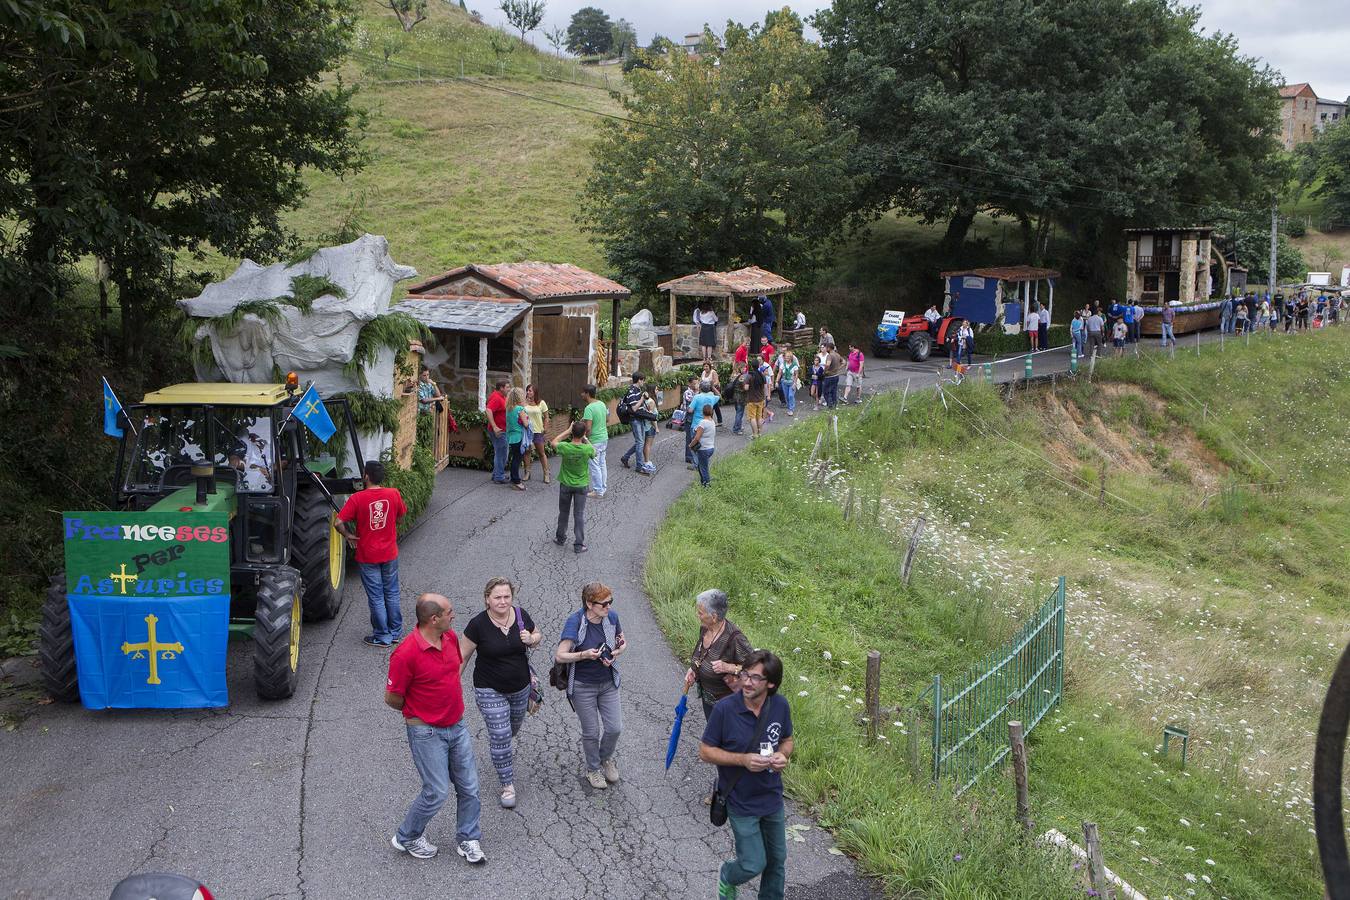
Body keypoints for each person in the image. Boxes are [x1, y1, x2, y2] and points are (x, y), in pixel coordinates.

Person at [386, 593, 486, 865]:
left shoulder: (450, 638)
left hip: (457, 725)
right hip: (426, 732)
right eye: (449, 612)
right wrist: (420, 713)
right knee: (437, 791)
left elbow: (452, 671)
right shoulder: (406, 653)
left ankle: (468, 838)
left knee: (470, 787)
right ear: (434, 619)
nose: (454, 615)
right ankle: (406, 836)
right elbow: (392, 697)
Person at [700, 650, 793, 900]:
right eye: (744, 675)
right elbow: (705, 752)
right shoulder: (724, 709)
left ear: (770, 683)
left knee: (776, 862)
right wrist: (742, 760)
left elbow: (787, 740)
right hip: (740, 800)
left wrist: (783, 755)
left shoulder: (780, 706)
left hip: (771, 797)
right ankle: (728, 875)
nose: (746, 682)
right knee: (753, 863)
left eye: (754, 677)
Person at [460, 577, 543, 810]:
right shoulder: (477, 625)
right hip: (489, 688)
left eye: (507, 596)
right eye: (497, 597)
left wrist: (531, 639)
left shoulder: (520, 615)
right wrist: (450, 683)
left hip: (520, 687)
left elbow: (538, 635)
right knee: (501, 734)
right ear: (487, 599)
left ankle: (501, 750)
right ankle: (507, 784)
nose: (503, 601)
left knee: (511, 730)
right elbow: (462, 656)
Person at [556, 582, 627, 790]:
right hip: (582, 686)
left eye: (610, 602)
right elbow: (560, 655)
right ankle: (593, 769)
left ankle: (605, 759)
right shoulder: (575, 621)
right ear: (589, 604)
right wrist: (584, 655)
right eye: (603, 604)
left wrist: (617, 652)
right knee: (591, 732)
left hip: (607, 683)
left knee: (615, 728)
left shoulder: (611, 618)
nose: (608, 607)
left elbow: (622, 641)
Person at [338, 461, 408, 647]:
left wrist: (348, 535)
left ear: (366, 476)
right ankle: (395, 632)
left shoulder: (357, 498)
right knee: (391, 592)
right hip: (389, 552)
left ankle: (382, 636)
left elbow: (338, 522)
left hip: (368, 555)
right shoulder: (393, 494)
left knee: (376, 596)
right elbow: (401, 516)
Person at [683, 589, 753, 724]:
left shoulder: (735, 638)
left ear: (714, 616)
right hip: (709, 699)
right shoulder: (705, 627)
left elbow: (756, 668)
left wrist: (729, 667)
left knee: (722, 740)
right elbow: (702, 653)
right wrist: (694, 669)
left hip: (728, 706)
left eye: (700, 613)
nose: (698, 615)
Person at [551, 421, 594, 553]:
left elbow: (553, 442)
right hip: (581, 485)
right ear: (584, 433)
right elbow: (595, 452)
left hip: (566, 483)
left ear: (572, 432)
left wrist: (567, 431)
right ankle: (578, 545)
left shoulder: (565, 447)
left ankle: (560, 538)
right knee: (579, 514)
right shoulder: (587, 449)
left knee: (563, 512)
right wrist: (585, 439)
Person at [619, 374, 652, 474]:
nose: (643, 382)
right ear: (639, 380)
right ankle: (639, 466)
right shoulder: (632, 391)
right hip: (635, 419)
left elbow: (640, 405)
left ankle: (625, 457)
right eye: (643, 380)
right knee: (640, 442)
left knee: (639, 442)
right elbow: (634, 408)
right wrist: (642, 398)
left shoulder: (638, 390)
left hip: (640, 418)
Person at [580, 384, 608, 499]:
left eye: (582, 392)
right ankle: (602, 487)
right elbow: (608, 419)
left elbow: (588, 428)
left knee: (594, 465)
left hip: (594, 440)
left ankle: (597, 491)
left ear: (587, 393)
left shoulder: (589, 408)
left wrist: (585, 439)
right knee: (602, 463)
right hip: (604, 438)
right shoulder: (601, 404)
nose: (581, 395)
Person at [521, 384, 550, 485]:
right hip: (527, 432)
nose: (528, 392)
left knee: (541, 453)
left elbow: (546, 417)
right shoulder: (523, 403)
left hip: (538, 431)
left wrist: (545, 428)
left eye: (530, 391)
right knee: (527, 452)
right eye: (527, 391)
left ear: (535, 392)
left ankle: (546, 474)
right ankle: (527, 473)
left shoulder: (541, 403)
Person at [686, 379, 718, 468]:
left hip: (697, 424)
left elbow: (690, 410)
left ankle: (696, 464)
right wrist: (713, 387)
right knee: (705, 444)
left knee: (694, 444)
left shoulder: (697, 397)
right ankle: (704, 463)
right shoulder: (712, 396)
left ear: (700, 388)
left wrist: (688, 407)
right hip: (709, 422)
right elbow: (719, 396)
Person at [485, 379, 510, 485]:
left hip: (501, 430)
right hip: (499, 431)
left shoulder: (500, 396)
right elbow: (488, 410)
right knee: (502, 453)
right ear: (501, 388)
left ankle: (497, 474)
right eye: (507, 387)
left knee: (501, 452)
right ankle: (499, 476)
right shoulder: (496, 397)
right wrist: (495, 427)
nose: (509, 389)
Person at [504, 386, 529, 491]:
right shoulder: (520, 409)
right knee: (517, 459)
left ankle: (514, 478)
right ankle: (516, 481)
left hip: (511, 437)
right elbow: (526, 424)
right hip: (519, 437)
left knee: (515, 458)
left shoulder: (509, 409)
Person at [689, 404, 716, 487]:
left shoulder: (703, 422)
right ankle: (703, 483)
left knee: (703, 468)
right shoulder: (712, 421)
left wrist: (690, 445)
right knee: (702, 466)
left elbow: (697, 438)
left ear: (702, 412)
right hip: (711, 447)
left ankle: (706, 485)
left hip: (703, 449)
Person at [745, 364, 769, 438]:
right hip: (761, 399)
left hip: (751, 400)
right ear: (758, 366)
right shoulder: (762, 376)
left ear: (752, 367)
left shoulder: (749, 376)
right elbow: (765, 388)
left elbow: (746, 388)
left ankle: (754, 434)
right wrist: (766, 397)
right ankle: (759, 433)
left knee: (752, 418)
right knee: (759, 417)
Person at [775, 347, 799, 417]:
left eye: (788, 357)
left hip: (792, 382)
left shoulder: (794, 365)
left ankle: (791, 409)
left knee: (791, 396)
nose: (787, 358)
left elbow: (796, 374)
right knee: (786, 396)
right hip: (784, 382)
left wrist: (795, 383)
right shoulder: (783, 364)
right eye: (786, 357)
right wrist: (776, 381)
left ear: (791, 357)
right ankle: (789, 408)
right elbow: (779, 373)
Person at [820, 342, 844, 409]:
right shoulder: (837, 355)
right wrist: (838, 368)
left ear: (829, 348)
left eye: (826, 347)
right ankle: (834, 404)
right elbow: (844, 362)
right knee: (834, 391)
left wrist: (824, 371)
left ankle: (830, 405)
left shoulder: (830, 355)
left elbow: (827, 364)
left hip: (829, 376)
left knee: (826, 392)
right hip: (836, 375)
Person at [730, 363, 750, 435]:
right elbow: (745, 388)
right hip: (740, 397)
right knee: (740, 413)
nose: (745, 369)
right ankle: (736, 429)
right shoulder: (742, 377)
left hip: (734, 396)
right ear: (740, 368)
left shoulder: (733, 376)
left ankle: (739, 426)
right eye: (744, 368)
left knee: (738, 412)